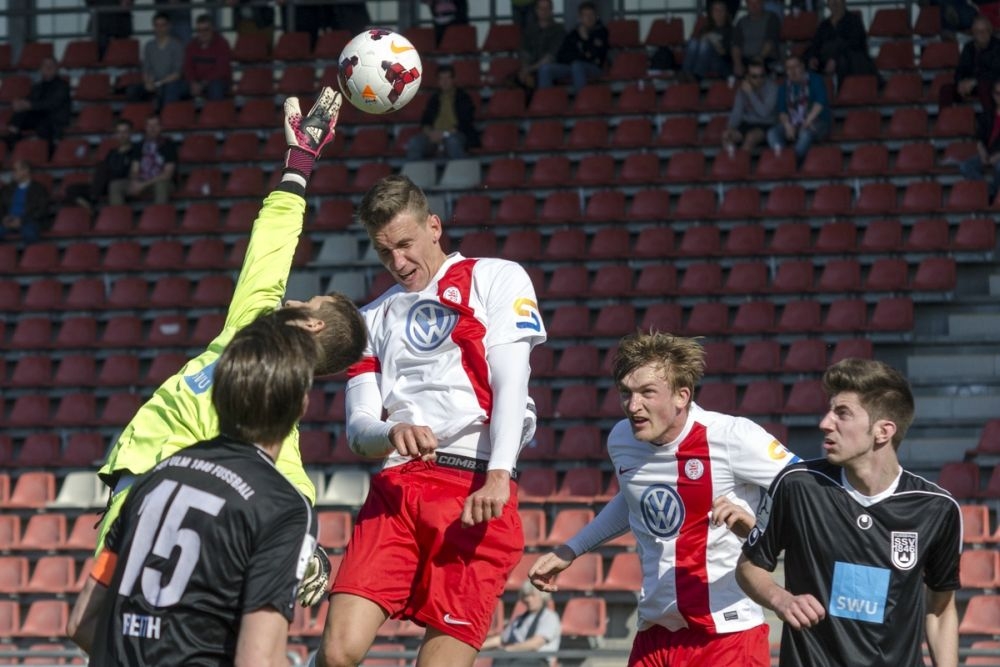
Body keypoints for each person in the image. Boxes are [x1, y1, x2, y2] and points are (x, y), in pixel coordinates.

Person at [92, 87, 367, 610]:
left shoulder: (261, 342)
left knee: (107, 629)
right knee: (97, 629)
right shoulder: (271, 370)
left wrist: (304, 542)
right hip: (142, 492)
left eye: (308, 300)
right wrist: (298, 166)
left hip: (154, 498)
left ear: (309, 325)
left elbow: (272, 247)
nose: (294, 294)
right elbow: (273, 242)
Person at [313, 173, 546, 667]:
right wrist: (390, 431)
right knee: (337, 653)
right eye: (383, 252)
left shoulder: (497, 277)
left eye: (405, 244)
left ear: (434, 227)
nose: (397, 263)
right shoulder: (370, 318)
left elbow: (512, 382)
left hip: (475, 489)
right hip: (398, 487)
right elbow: (358, 430)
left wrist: (499, 474)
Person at [528, 332, 800, 667]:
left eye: (647, 393)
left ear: (681, 396)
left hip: (725, 634)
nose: (633, 405)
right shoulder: (621, 439)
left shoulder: (731, 437)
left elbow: (804, 489)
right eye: (626, 393)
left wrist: (759, 527)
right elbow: (633, 500)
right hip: (656, 631)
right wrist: (570, 549)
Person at [67, 314, 322, 664]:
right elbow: (257, 660)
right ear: (300, 406)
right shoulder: (283, 506)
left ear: (218, 397)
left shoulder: (150, 479)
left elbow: (82, 622)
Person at [736, 358, 962, 667]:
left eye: (842, 414)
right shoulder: (798, 485)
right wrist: (781, 599)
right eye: (830, 411)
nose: (825, 423)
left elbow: (940, 608)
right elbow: (749, 566)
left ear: (883, 431)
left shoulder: (936, 508)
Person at [406, 65, 479, 160]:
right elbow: (425, 121)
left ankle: (460, 173)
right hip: (434, 135)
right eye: (441, 79)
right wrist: (430, 133)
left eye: (447, 78)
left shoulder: (463, 98)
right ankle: (416, 174)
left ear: (453, 80)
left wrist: (444, 134)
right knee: (415, 142)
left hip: (455, 134)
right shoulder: (434, 99)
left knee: (453, 142)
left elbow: (466, 122)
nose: (444, 82)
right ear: (438, 81)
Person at [767, 54, 831, 161]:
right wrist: (787, 125)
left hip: (816, 122)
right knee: (772, 133)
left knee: (805, 134)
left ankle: (792, 162)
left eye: (795, 67)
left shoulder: (815, 79)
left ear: (802, 66)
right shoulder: (783, 87)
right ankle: (781, 158)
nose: (792, 71)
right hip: (794, 122)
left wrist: (806, 122)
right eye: (789, 68)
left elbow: (819, 104)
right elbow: (782, 112)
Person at [481, 582, 561, 667]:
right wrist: (478, 647)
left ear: (542, 596)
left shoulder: (549, 617)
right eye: (526, 596)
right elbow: (501, 639)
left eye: (532, 595)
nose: (528, 599)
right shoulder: (519, 620)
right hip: (516, 657)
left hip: (538, 660)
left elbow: (535, 644)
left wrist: (507, 650)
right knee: (499, 660)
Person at [64, 119, 136, 212]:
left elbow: (129, 171)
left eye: (125, 132)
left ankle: (92, 200)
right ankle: (90, 204)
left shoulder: (135, 151)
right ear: (115, 134)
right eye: (119, 132)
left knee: (102, 166)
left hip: (120, 183)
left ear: (131, 133)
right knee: (71, 189)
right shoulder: (112, 152)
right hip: (103, 185)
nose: (122, 135)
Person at [4, 57, 72, 156]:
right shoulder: (37, 86)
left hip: (54, 118)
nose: (48, 68)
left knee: (44, 125)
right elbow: (30, 101)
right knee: (20, 113)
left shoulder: (62, 86)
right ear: (41, 69)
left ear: (56, 68)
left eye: (51, 66)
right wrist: (20, 104)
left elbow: (51, 104)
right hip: (39, 117)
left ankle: (48, 154)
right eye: (45, 66)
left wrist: (29, 105)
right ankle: (13, 141)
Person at [538, 1, 609, 93]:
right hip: (571, 66)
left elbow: (595, 56)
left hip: (594, 68)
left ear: (596, 16)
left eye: (591, 15)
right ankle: (547, 103)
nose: (589, 18)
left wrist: (585, 40)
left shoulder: (601, 32)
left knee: (577, 65)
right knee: (545, 69)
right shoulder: (573, 34)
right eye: (585, 15)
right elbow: (562, 55)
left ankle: (581, 101)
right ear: (580, 18)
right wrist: (581, 55)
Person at [804, 0, 877, 85]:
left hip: (852, 61)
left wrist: (835, 59)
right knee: (805, 61)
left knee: (842, 61)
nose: (834, 2)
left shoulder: (854, 20)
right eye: (831, 0)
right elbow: (815, 45)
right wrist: (813, 57)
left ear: (843, 2)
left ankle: (843, 93)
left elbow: (854, 44)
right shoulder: (824, 25)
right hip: (826, 60)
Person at [109, 115, 177, 205]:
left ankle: (159, 217)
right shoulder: (139, 146)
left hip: (160, 182)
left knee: (161, 185)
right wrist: (135, 182)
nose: (152, 129)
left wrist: (143, 185)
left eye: (155, 125)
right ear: (145, 128)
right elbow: (134, 169)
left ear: (161, 127)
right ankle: (118, 217)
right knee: (115, 185)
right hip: (142, 181)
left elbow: (167, 174)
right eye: (149, 126)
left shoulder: (169, 145)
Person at [939, 15, 1000, 113]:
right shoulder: (968, 48)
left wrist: (974, 81)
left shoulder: (997, 47)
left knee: (984, 87)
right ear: (973, 33)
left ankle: (989, 123)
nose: (981, 34)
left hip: (988, 85)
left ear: (990, 31)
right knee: (946, 90)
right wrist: (961, 83)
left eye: (984, 31)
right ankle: (944, 120)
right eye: (977, 31)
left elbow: (996, 73)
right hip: (969, 86)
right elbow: (960, 70)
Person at [131, 11, 186, 111]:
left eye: (163, 25)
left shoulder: (177, 45)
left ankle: (166, 120)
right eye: (157, 25)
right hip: (154, 82)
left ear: (169, 26)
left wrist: (158, 83)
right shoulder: (149, 46)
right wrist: (148, 82)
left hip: (171, 82)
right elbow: (146, 68)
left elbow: (177, 73)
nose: (160, 29)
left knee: (170, 89)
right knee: (133, 90)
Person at [722, 58, 778, 153]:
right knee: (726, 136)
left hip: (766, 124)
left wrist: (751, 93)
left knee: (751, 137)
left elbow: (764, 113)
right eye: (754, 76)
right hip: (747, 123)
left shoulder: (773, 88)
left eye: (761, 76)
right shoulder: (742, 90)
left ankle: (741, 164)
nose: (759, 79)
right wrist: (730, 128)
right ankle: (731, 163)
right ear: (747, 77)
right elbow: (737, 111)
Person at [959, 80, 1000, 198]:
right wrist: (983, 154)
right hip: (987, 153)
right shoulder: (987, 114)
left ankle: (992, 194)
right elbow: (979, 138)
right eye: (998, 93)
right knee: (965, 166)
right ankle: (987, 190)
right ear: (993, 95)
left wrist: (997, 156)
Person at [516, 0, 564, 91]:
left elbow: (551, 57)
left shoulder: (559, 30)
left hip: (551, 68)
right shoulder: (530, 29)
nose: (544, 11)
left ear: (551, 10)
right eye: (541, 9)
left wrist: (529, 70)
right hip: (531, 69)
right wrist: (525, 69)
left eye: (547, 9)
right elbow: (524, 52)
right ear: (536, 10)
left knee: (544, 71)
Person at [183, 14, 233, 101]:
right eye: (199, 30)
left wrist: (203, 84)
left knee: (216, 87)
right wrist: (193, 82)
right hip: (196, 82)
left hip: (217, 81)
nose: (202, 33)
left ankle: (215, 114)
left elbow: (221, 70)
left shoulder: (222, 44)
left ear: (212, 29)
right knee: (175, 88)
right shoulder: (191, 45)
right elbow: (188, 67)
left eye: (206, 30)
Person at [0, 160, 51, 245]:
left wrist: (22, 220)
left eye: (15, 170)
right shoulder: (7, 189)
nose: (13, 173)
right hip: (9, 221)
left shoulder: (39, 189)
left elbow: (42, 210)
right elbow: (1, 207)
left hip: (29, 221)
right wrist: (3, 219)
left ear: (25, 171)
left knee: (30, 234)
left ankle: (31, 257)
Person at [681, 0, 734, 81]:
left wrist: (713, 41)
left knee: (705, 44)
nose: (718, 13)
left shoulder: (730, 30)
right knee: (693, 42)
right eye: (715, 10)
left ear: (726, 12)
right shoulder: (706, 28)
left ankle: (697, 76)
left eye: (721, 10)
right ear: (711, 13)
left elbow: (725, 55)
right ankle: (686, 73)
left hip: (720, 62)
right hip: (702, 60)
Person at [730, 0, 780, 77]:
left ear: (762, 3)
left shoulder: (772, 18)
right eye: (750, 3)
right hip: (745, 59)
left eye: (757, 3)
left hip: (766, 59)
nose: (753, 6)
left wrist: (759, 58)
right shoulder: (741, 21)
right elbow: (736, 45)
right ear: (746, 4)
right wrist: (737, 64)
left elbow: (770, 42)